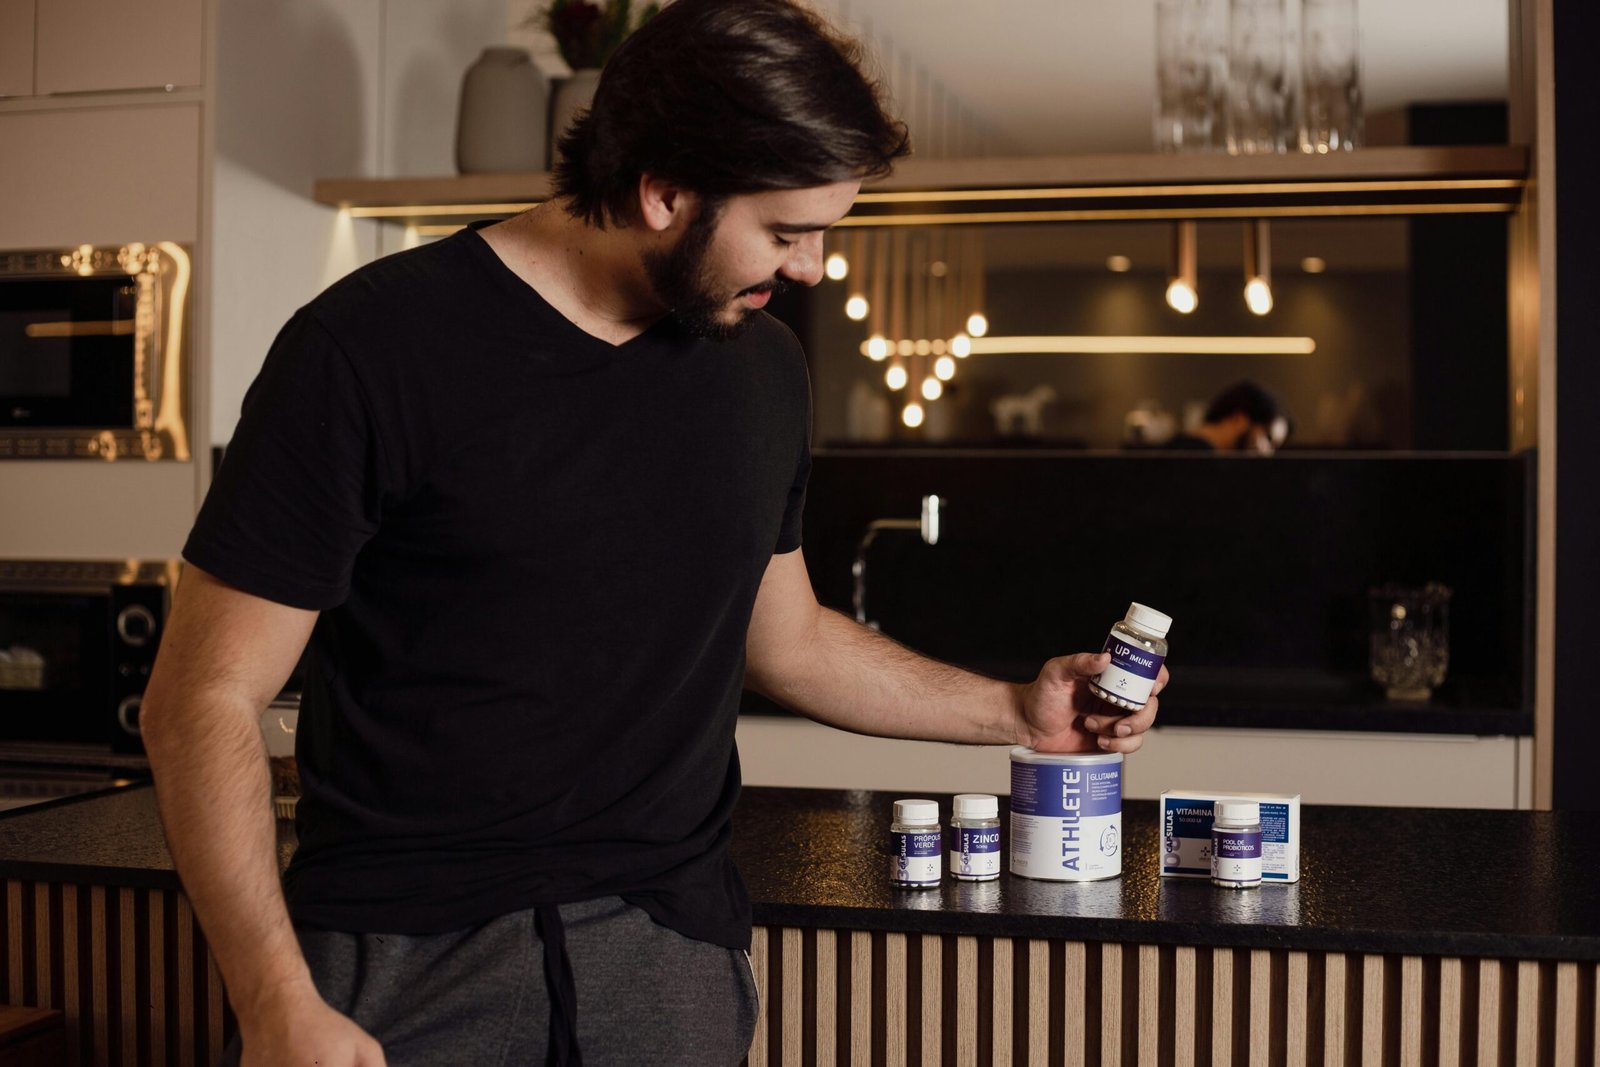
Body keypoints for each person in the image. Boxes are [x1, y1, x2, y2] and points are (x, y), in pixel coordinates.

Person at [140, 2, 1167, 1064]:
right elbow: (202, 695)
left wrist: (1011, 709)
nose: (814, 268)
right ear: (663, 191)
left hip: (667, 958)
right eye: (784, 231)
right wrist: (272, 998)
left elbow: (790, 640)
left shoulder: (760, 370)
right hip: (399, 964)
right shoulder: (366, 350)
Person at [1167, 379, 1293, 453]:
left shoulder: (1174, 448)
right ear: (1238, 419)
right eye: (1268, 438)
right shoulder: (1197, 461)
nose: (1268, 452)